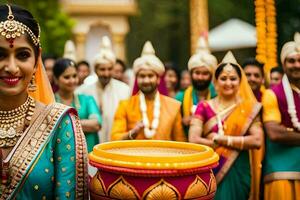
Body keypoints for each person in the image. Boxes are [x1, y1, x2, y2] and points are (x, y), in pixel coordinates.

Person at [0, 4, 88, 199]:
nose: (12, 67)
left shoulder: (60, 123)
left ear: (36, 59)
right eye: (1, 55)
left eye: (22, 55)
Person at [189, 51, 263, 200]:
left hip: (239, 168)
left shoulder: (249, 108)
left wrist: (221, 140)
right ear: (215, 82)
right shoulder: (204, 107)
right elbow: (193, 139)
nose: (228, 83)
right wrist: (220, 142)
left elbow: (257, 141)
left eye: (233, 79)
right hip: (211, 169)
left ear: (240, 81)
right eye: (223, 78)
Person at [111, 41, 185, 141]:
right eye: (142, 76)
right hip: (134, 156)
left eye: (150, 76)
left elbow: (180, 142)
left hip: (164, 156)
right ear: (137, 79)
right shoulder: (125, 106)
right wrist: (133, 133)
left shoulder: (173, 106)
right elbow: (114, 138)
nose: (146, 80)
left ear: (158, 79)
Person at [262, 32, 300, 200]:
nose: (296, 65)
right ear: (283, 64)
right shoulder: (272, 94)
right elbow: (275, 133)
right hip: (281, 171)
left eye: (299, 60)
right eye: (291, 61)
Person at [76, 36, 130, 143]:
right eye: (102, 69)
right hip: (91, 145)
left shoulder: (124, 90)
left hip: (116, 145)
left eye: (109, 69)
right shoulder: (83, 91)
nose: (106, 73)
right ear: (95, 70)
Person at [53, 58, 102, 152]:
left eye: (74, 76)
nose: (72, 80)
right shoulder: (51, 102)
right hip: (60, 156)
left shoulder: (87, 100)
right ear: (56, 79)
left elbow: (96, 124)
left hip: (87, 155)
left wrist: (63, 124)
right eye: (67, 77)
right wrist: (84, 124)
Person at [175, 36, 217, 135]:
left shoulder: (218, 96)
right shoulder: (180, 97)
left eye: (205, 73)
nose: (200, 77)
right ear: (191, 73)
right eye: (197, 73)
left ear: (211, 75)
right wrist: (182, 121)